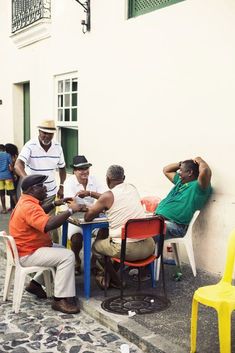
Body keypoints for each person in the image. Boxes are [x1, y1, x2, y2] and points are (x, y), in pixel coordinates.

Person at [9, 174, 84, 314]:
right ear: (32, 189)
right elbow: (48, 224)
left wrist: (56, 203)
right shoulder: (29, 207)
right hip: (28, 252)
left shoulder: (26, 201)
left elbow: (39, 213)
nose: (45, 189)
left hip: (27, 248)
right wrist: (71, 210)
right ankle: (60, 300)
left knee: (60, 250)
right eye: (42, 186)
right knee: (67, 256)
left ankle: (35, 284)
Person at [81, 165, 155, 289]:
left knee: (97, 246)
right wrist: (91, 194)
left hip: (128, 251)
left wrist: (88, 208)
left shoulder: (108, 196)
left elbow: (88, 217)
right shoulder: (132, 188)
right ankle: (111, 276)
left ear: (107, 179)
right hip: (149, 247)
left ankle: (114, 280)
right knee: (113, 241)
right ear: (124, 177)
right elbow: (114, 199)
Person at [14, 120, 66, 243]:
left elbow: (62, 168)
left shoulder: (57, 147)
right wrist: (28, 180)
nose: (47, 136)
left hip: (50, 193)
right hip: (32, 194)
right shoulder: (30, 145)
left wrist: (62, 185)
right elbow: (18, 165)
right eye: (44, 133)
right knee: (32, 224)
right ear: (39, 131)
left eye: (50, 134)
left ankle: (54, 250)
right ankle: (32, 251)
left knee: (52, 225)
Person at [64, 155, 105, 275]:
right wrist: (92, 207)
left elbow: (104, 197)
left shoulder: (95, 179)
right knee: (76, 239)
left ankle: (94, 261)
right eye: (80, 169)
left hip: (95, 215)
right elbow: (72, 205)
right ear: (74, 171)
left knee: (104, 232)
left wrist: (90, 195)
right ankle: (76, 259)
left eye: (86, 168)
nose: (84, 171)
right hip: (76, 218)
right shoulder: (69, 182)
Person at [155, 157, 212, 239]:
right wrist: (181, 164)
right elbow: (166, 170)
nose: (178, 173)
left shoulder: (198, 186)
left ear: (189, 172)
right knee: (136, 228)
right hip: (160, 221)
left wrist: (200, 160)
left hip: (176, 226)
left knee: (145, 234)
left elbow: (205, 171)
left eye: (181, 170)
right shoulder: (180, 181)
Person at [0, 144, 17, 213]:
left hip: (0, 177)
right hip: (8, 176)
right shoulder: (7, 155)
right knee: (12, 193)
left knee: (2, 194)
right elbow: (11, 165)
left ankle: (4, 209)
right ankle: (17, 208)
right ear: (4, 149)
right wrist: (14, 174)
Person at [5, 143, 19, 210]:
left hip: (14, 174)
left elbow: (13, 166)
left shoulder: (14, 156)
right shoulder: (8, 155)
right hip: (10, 174)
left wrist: (14, 174)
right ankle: (12, 206)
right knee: (10, 191)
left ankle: (15, 206)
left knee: (13, 191)